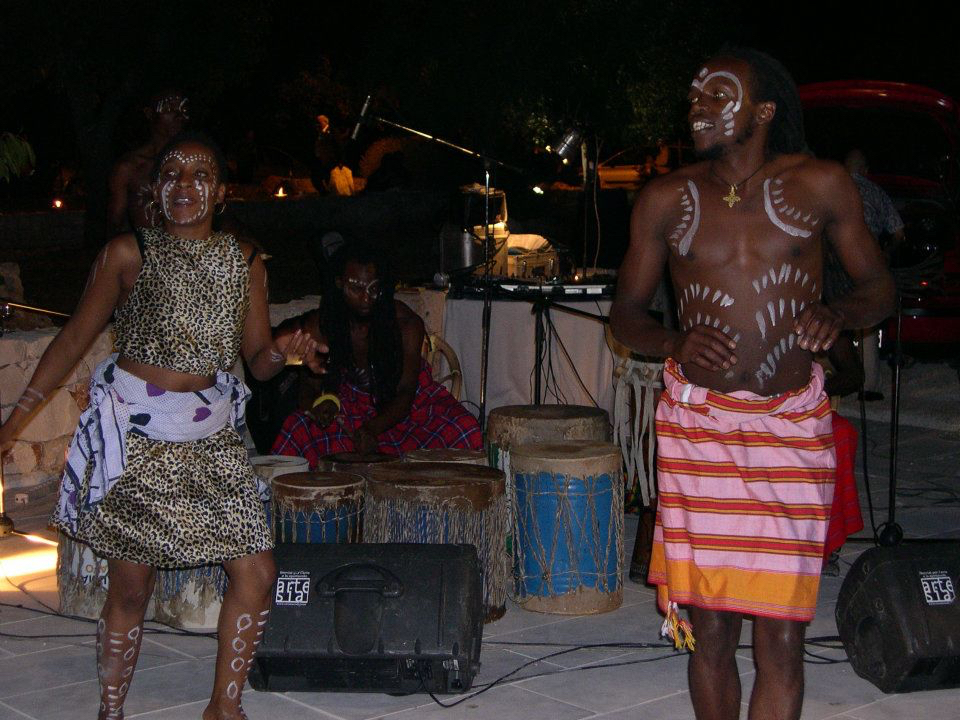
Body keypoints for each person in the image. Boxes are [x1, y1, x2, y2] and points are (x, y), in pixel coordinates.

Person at [609, 47, 894, 720]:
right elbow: (625, 314)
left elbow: (879, 287)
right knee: (709, 630)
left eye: (719, 95)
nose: (698, 106)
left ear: (764, 111)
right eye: (694, 96)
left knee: (782, 634)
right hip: (698, 426)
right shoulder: (665, 198)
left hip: (791, 427)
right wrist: (674, 339)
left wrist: (839, 314)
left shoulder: (821, 185)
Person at [0, 130, 323, 720]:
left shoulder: (244, 262)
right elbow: (73, 339)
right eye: (172, 173)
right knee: (131, 587)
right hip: (139, 441)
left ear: (221, 192)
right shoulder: (129, 254)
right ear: (155, 187)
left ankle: (223, 708)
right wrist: (10, 428)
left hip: (211, 441)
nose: (184, 185)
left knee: (257, 569)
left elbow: (256, 360)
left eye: (201, 175)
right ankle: (111, 709)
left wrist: (285, 350)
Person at [271, 240, 482, 465]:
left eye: (374, 288)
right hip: (347, 406)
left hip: (405, 409)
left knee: (465, 429)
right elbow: (309, 389)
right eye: (356, 288)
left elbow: (406, 393)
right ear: (339, 284)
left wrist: (372, 428)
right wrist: (320, 406)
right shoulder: (322, 325)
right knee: (300, 429)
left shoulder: (406, 324)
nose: (366, 298)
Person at [107, 90, 190, 235]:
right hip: (145, 253)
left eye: (182, 109)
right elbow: (114, 224)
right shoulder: (129, 167)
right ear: (149, 114)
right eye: (169, 108)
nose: (178, 116)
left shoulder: (195, 163)